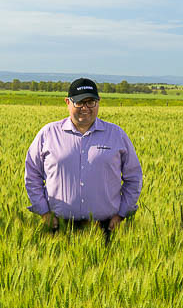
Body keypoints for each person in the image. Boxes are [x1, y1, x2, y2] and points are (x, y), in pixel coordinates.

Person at [24, 78, 142, 237]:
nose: (85, 108)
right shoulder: (48, 134)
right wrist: (44, 212)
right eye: (79, 102)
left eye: (91, 102)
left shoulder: (116, 135)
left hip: (106, 228)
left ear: (98, 102)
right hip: (58, 227)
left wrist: (121, 214)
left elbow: (134, 177)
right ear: (68, 102)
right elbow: (32, 175)